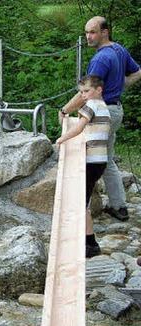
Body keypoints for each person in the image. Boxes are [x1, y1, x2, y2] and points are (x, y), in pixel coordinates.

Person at [59, 16, 141, 222]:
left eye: (93, 32)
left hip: (100, 113)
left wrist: (65, 109)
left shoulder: (101, 59)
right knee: (107, 158)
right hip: (114, 111)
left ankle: (80, 210)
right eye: (86, 32)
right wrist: (120, 87)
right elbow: (138, 72)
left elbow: (84, 93)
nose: (88, 36)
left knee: (87, 160)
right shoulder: (119, 50)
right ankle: (118, 206)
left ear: (105, 32)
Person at [57, 75, 111, 257]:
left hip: (91, 161)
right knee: (83, 201)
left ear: (98, 90)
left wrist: (61, 139)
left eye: (86, 91)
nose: (83, 95)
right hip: (101, 161)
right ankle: (88, 241)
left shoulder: (92, 106)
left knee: (81, 202)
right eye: (81, 92)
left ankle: (90, 244)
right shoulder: (105, 108)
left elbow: (79, 127)